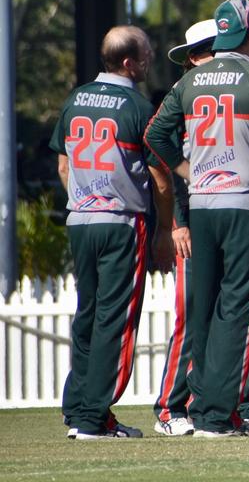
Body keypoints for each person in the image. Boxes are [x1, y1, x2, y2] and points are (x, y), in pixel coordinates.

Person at [145, 0, 249, 437]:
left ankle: (202, 409)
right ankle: (218, 414)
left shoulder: (190, 81)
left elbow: (155, 134)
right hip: (243, 204)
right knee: (238, 309)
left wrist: (186, 169)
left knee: (203, 309)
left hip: (202, 203)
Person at [51, 25, 174, 439]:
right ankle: (93, 418)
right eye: (146, 54)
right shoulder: (138, 108)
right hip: (121, 222)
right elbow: (160, 177)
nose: (151, 59)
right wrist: (163, 230)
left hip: (81, 221)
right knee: (115, 320)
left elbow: (64, 166)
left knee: (87, 313)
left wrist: (86, 200)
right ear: (128, 62)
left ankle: (78, 408)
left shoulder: (75, 100)